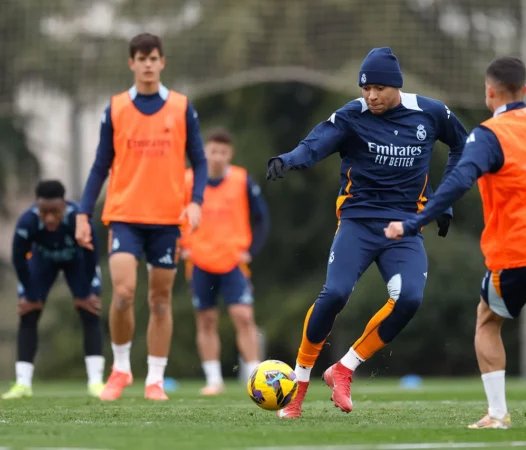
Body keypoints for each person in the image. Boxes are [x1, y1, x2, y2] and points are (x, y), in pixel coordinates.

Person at [385, 56, 526, 428]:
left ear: (490, 92)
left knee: (488, 320)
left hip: (522, 249)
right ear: (524, 90)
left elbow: (459, 181)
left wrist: (415, 222)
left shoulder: (490, 135)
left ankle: (497, 414)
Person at [266, 47, 468, 418]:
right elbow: (315, 145)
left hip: (405, 228)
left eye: (378, 88)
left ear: (396, 87)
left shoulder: (431, 113)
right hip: (358, 222)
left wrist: (445, 200)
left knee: (408, 299)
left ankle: (343, 369)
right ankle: (299, 382)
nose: (370, 95)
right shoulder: (351, 115)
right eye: (365, 88)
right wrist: (288, 159)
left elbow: (462, 145)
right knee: (336, 294)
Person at [75, 33, 207, 401]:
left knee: (160, 300)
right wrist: (83, 213)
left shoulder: (181, 107)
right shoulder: (116, 108)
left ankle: (154, 379)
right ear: (131, 63)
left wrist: (195, 201)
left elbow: (198, 160)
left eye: (153, 58)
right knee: (122, 292)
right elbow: (100, 165)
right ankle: (119, 370)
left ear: (162, 62)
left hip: (167, 219)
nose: (148, 64)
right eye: (141, 58)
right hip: (124, 215)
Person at [180, 127, 270, 395]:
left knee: (243, 316)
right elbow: (174, 215)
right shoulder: (188, 181)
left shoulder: (242, 180)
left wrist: (251, 250)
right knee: (206, 319)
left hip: (233, 261)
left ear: (230, 154)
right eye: (212, 151)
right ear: (204, 152)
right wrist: (181, 246)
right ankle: (214, 380)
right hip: (199, 260)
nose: (217, 156)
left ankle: (256, 376)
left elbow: (262, 218)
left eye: (222, 151)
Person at [3, 180, 104, 399]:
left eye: (55, 212)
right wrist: (31, 295)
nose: (49, 217)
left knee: (91, 310)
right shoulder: (27, 221)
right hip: (43, 262)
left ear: (64, 206)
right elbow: (19, 260)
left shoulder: (80, 218)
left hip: (77, 261)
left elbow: (91, 255)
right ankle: (22, 384)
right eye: (44, 211)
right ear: (37, 207)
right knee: (28, 312)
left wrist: (85, 292)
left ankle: (96, 382)